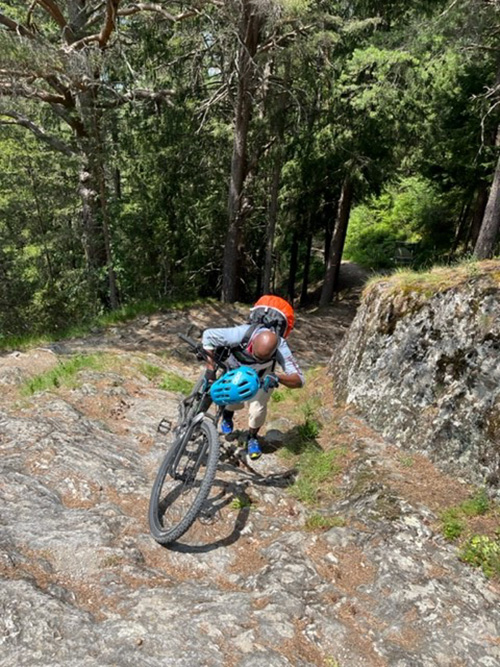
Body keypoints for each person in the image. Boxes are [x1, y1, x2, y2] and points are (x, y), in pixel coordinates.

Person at [202, 319, 304, 460]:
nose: (257, 360)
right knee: (232, 398)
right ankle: (227, 414)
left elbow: (299, 380)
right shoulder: (239, 334)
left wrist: (277, 378)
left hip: (263, 378)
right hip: (236, 372)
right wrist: (210, 369)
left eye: (263, 358)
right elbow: (208, 335)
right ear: (253, 342)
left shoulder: (281, 347)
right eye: (255, 355)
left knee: (257, 410)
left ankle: (252, 437)